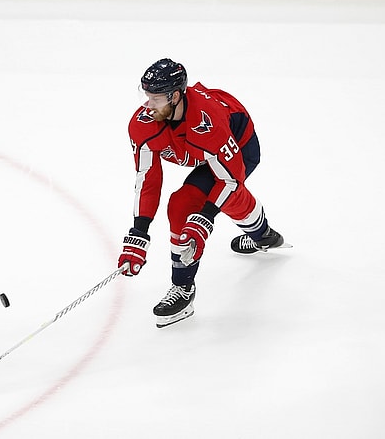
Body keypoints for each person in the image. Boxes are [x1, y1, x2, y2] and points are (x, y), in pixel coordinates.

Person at [117, 58, 285, 328]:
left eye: (156, 98)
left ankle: (262, 234)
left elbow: (230, 179)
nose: (149, 105)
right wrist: (139, 232)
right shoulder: (143, 124)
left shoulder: (208, 124)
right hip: (204, 154)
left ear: (175, 95)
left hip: (239, 147)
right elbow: (147, 179)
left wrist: (205, 217)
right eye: (146, 96)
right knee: (182, 206)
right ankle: (183, 288)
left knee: (225, 201)